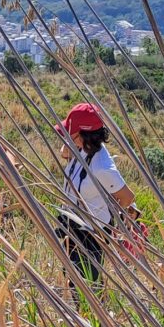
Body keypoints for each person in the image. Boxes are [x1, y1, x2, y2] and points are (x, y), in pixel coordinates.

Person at [56, 102, 135, 285]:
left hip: (90, 234)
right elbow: (65, 153)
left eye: (71, 133)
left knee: (84, 286)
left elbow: (127, 198)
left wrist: (104, 209)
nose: (68, 137)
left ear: (85, 135)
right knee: (72, 278)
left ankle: (90, 312)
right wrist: (70, 143)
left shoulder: (102, 168)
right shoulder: (84, 148)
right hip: (72, 226)